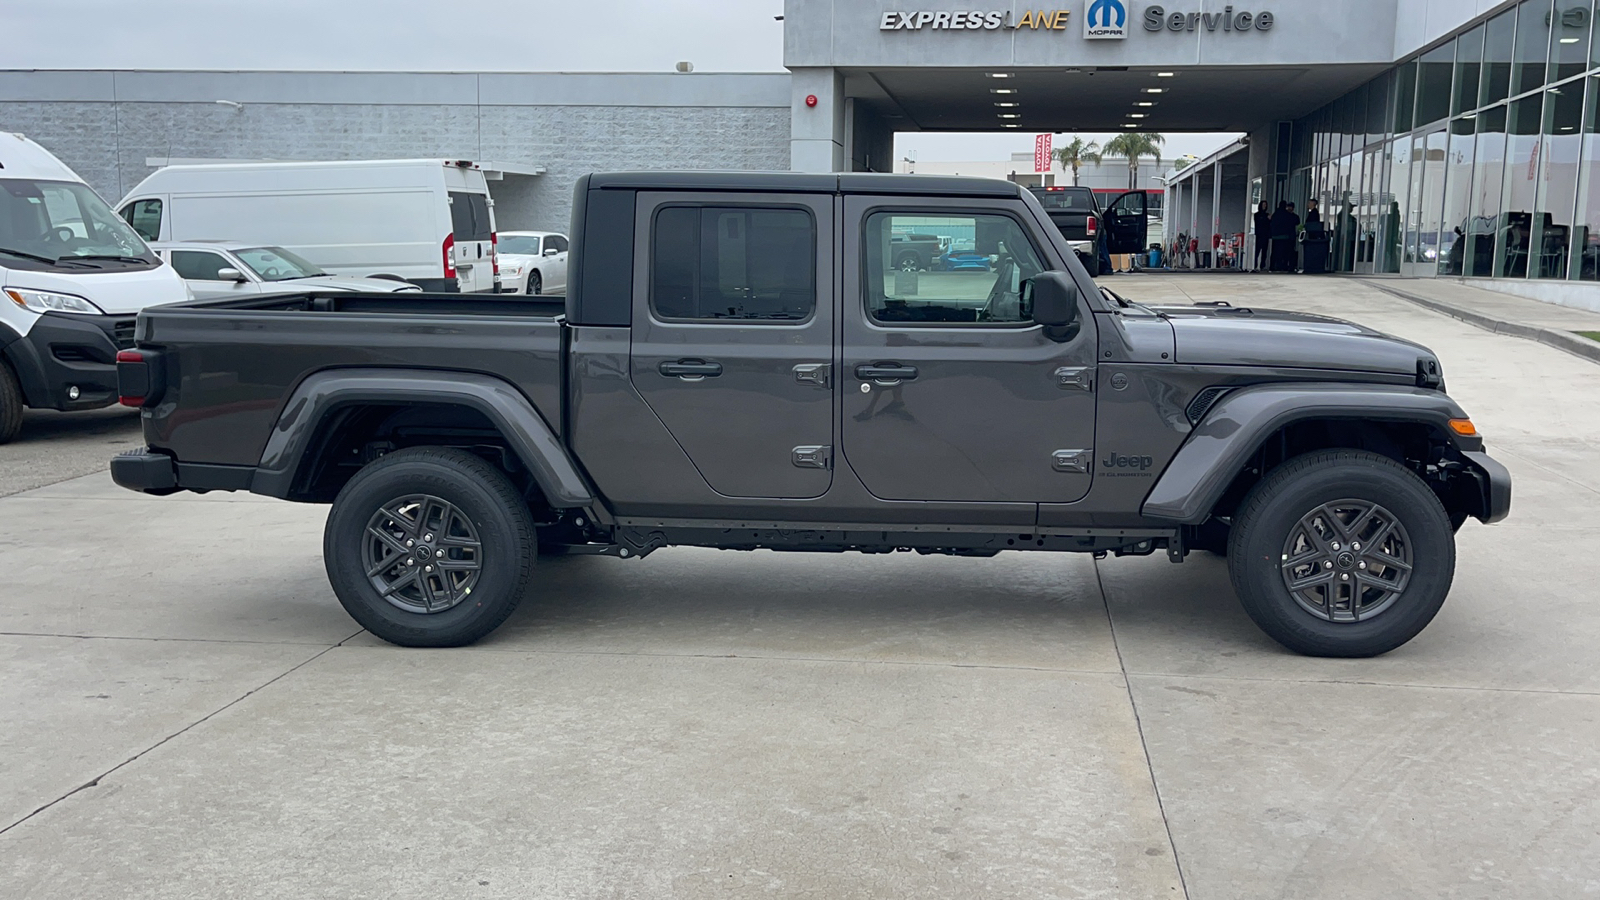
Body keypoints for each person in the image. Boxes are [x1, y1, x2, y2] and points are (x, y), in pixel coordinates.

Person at [1269, 201, 1295, 271]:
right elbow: (1291, 225)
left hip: (1275, 236)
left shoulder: (1275, 214)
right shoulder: (1287, 215)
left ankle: (1272, 266)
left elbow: (1272, 224)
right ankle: (1282, 266)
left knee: (1275, 252)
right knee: (1284, 253)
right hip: (1284, 237)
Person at [1253, 200, 1271, 272]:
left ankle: (1262, 265)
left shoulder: (1267, 215)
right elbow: (1259, 223)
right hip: (1259, 235)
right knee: (1257, 251)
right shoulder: (1257, 215)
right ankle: (1255, 265)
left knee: (1264, 252)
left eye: (1265, 205)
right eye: (1263, 205)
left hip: (1265, 235)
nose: (1264, 206)